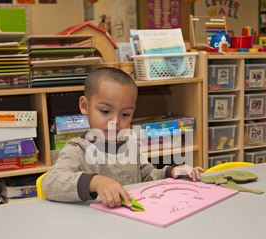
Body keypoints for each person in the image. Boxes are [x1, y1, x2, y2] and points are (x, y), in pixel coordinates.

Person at [42, 67, 204, 208]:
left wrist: (172, 172)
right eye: (105, 111)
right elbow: (50, 183)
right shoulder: (77, 149)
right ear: (85, 106)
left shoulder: (130, 143)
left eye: (125, 114)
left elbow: (146, 176)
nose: (115, 122)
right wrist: (96, 182)